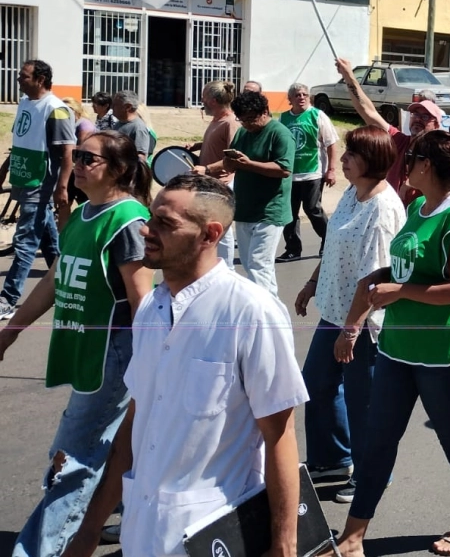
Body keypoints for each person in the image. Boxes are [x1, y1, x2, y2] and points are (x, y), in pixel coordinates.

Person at [63, 174, 308, 557]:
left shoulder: (250, 312)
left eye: (166, 223)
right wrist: (89, 529)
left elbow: (280, 434)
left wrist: (284, 543)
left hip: (215, 532)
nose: (147, 230)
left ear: (209, 235)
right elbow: (134, 422)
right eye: (151, 218)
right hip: (142, 531)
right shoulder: (151, 311)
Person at [334, 126, 450, 557]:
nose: (403, 165)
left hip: (441, 348)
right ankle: (352, 537)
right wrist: (377, 288)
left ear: (425, 165)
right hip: (397, 344)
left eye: (411, 159)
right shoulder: (419, 206)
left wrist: (400, 292)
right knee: (378, 437)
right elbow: (402, 268)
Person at [0, 131, 153, 557]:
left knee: (72, 458)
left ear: (119, 169)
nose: (79, 164)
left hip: (114, 354)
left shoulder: (127, 220)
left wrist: (151, 367)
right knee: (112, 445)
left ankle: (38, 551)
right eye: (79, 156)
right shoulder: (85, 212)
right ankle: (126, 513)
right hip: (84, 350)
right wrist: (10, 333)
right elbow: (54, 278)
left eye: (89, 159)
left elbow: (142, 300)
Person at [294, 126, 406, 504]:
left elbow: (374, 277)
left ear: (371, 161)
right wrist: (312, 283)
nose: (342, 161)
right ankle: (333, 459)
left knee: (365, 404)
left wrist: (351, 330)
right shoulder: (352, 195)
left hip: (363, 324)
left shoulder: (383, 207)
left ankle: (372, 474)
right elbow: (334, 244)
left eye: (350, 155)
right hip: (335, 311)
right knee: (316, 385)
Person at [0, 60, 76, 320]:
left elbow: (68, 152)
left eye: (24, 76)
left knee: (25, 242)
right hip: (24, 177)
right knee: (48, 238)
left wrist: (62, 188)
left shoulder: (57, 110)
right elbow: (20, 139)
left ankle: (7, 299)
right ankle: (63, 284)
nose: (19, 79)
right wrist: (4, 169)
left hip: (41, 183)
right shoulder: (24, 103)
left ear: (40, 79)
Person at [335, 57, 443, 204]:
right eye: (415, 114)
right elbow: (368, 111)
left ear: (436, 125)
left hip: (421, 220)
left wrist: (415, 182)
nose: (418, 119)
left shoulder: (441, 153)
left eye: (425, 116)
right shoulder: (398, 141)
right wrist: (349, 76)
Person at [225, 90, 295, 296]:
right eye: (242, 119)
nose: (246, 124)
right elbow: (232, 161)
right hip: (245, 209)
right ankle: (268, 309)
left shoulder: (279, 133)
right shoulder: (242, 133)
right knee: (249, 265)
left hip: (270, 211)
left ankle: (264, 315)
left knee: (259, 266)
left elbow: (284, 169)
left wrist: (249, 164)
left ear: (265, 111)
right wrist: (211, 168)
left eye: (250, 119)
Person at [278, 83, 338, 262]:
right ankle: (293, 249)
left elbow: (331, 144)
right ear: (290, 99)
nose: (301, 97)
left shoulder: (317, 115)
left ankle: (329, 241)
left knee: (312, 209)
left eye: (305, 94)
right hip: (290, 175)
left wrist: (332, 170)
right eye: (297, 95)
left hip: (312, 173)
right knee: (289, 213)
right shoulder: (283, 119)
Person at [190, 80, 241, 266]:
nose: (201, 101)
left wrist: (207, 169)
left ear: (212, 100)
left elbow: (233, 157)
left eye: (203, 97)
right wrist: (197, 146)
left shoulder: (230, 123)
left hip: (222, 184)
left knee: (222, 231)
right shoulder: (216, 120)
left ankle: (227, 269)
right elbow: (216, 143)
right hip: (210, 184)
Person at [61, 97, 95, 206]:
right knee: (65, 202)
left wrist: (64, 149)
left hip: (84, 167)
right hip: (74, 165)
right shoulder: (71, 124)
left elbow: (83, 147)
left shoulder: (84, 124)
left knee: (84, 202)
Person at [111, 90, 155, 158]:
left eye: (115, 105)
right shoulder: (118, 124)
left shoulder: (138, 128)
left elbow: (141, 157)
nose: (112, 107)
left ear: (128, 107)